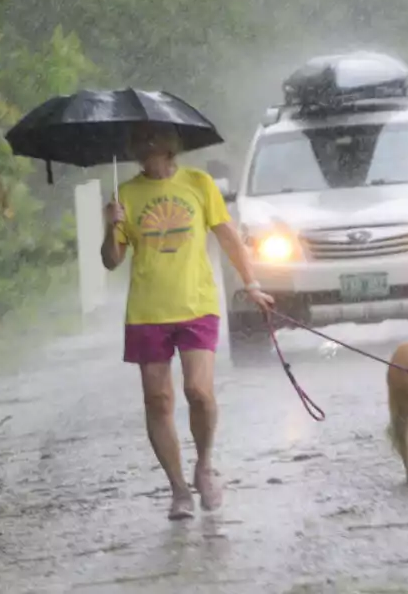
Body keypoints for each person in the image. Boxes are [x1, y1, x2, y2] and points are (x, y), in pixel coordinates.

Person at [101, 121, 274, 520]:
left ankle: (204, 464)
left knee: (199, 391)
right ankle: (178, 489)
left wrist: (251, 283)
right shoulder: (125, 194)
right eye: (138, 143)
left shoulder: (198, 183)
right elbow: (111, 260)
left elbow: (229, 236)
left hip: (197, 303)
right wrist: (112, 226)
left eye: (152, 141)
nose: (145, 148)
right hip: (147, 311)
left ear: (169, 145)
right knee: (158, 400)